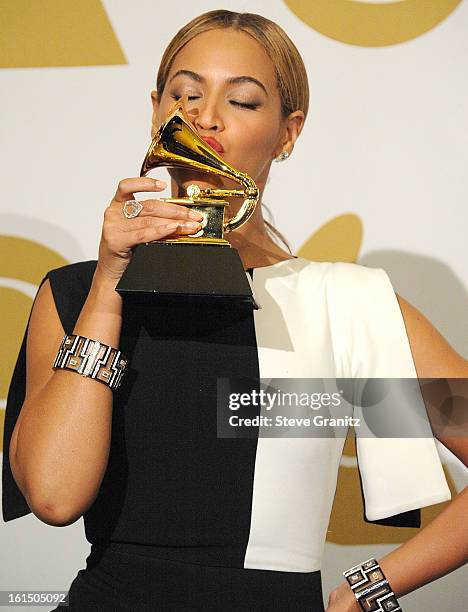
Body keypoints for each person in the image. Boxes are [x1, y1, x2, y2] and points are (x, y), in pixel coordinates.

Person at [2, 9, 467, 612]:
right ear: (156, 110)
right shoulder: (76, 293)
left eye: (243, 101)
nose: (203, 116)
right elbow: (55, 497)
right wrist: (109, 285)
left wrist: (368, 587)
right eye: (184, 93)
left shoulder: (347, 309)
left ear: (288, 131)